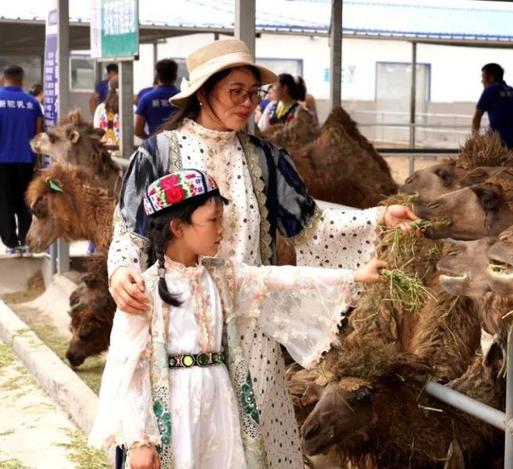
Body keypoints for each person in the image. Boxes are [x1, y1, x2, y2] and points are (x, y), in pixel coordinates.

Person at [105, 38, 418, 468]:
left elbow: (311, 226)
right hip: (174, 328)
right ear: (202, 93)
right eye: (236, 91)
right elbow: (129, 231)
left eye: (253, 93)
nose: (248, 103)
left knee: (249, 450)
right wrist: (121, 271)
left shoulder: (265, 159)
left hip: (252, 331)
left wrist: (378, 219)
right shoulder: (157, 154)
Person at [90, 169, 386, 469]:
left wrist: (354, 276)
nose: (222, 229)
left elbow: (281, 279)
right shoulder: (144, 291)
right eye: (212, 220)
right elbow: (128, 369)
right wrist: (141, 440)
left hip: (220, 406)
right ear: (178, 227)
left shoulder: (222, 277)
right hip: (174, 412)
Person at [0, 65, 43, 256]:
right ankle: (27, 242)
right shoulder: (32, 103)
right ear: (21, 80)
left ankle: (11, 244)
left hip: (2, 161)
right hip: (26, 160)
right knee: (25, 202)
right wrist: (38, 161)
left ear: (3, 79)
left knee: (3, 203)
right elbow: (39, 134)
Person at [471, 63, 513, 150]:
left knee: (477, 146)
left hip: (496, 145)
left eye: (483, 77)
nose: (482, 81)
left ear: (491, 77)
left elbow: (477, 117)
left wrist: (475, 141)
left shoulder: (490, 90)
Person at [135, 59, 181, 138]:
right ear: (175, 77)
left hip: (156, 146)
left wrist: (151, 142)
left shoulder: (146, 98)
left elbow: (138, 131)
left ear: (157, 76)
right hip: (181, 146)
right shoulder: (185, 98)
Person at [92, 78, 121, 146]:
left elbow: (96, 129)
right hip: (124, 149)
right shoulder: (129, 109)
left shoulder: (101, 108)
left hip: (105, 149)